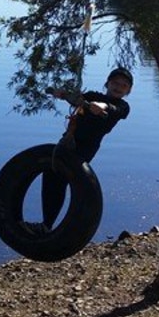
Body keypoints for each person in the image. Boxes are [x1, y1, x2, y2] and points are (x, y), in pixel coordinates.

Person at [34, 67, 133, 231]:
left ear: (128, 90)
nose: (118, 87)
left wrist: (102, 106)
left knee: (64, 177)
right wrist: (62, 94)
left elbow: (112, 109)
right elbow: (77, 99)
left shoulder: (123, 106)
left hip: (86, 148)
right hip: (68, 140)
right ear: (107, 83)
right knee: (51, 175)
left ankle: (62, 228)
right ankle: (46, 224)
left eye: (123, 85)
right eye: (115, 83)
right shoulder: (93, 96)